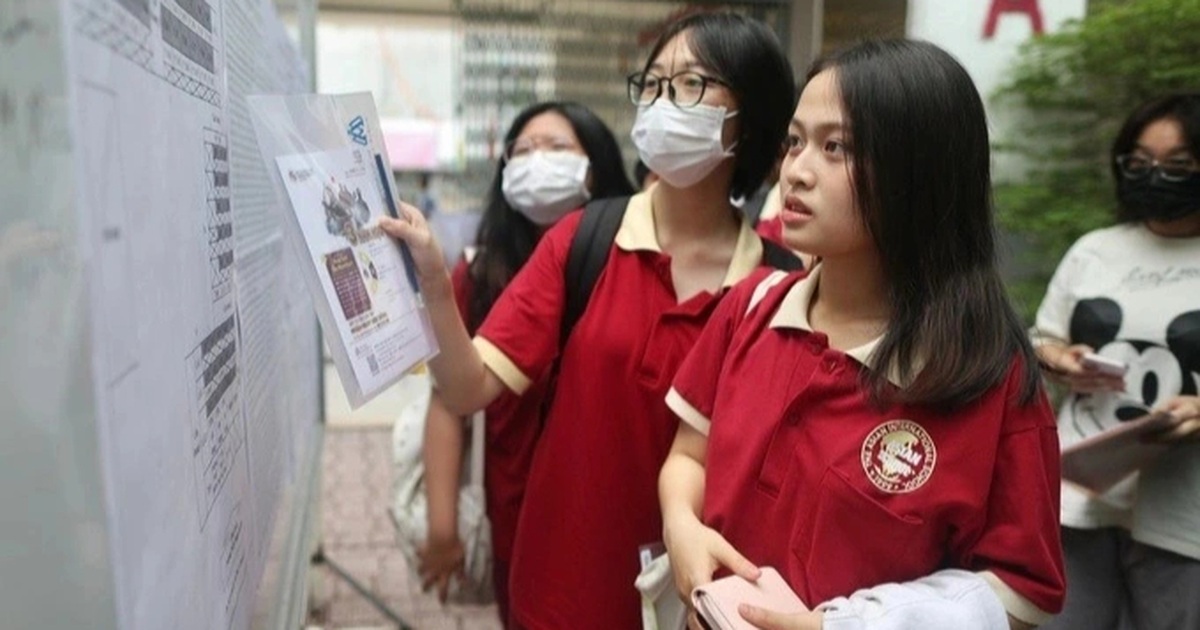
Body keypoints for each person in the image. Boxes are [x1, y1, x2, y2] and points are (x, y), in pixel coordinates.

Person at [380, 11, 797, 629]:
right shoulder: (587, 238)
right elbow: (466, 389)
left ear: (750, 115)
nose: (663, 103)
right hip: (561, 592)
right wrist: (436, 284)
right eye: (653, 84)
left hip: (696, 601)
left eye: (691, 85)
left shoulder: (778, 284)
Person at [659, 39, 1066, 630]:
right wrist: (682, 526)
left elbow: (1021, 596)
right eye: (795, 142)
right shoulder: (750, 308)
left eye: (836, 147)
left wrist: (851, 625)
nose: (795, 171)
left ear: (920, 170)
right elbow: (686, 455)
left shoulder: (990, 378)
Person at [417, 100, 634, 624]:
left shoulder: (634, 263)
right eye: (523, 151)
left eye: (557, 148)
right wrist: (443, 531)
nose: (538, 161)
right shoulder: (482, 274)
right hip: (517, 514)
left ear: (596, 165)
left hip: (616, 517)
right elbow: (450, 404)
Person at [1032, 94, 1200, 630]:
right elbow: (1040, 340)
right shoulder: (1094, 251)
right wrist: (1061, 359)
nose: (1154, 177)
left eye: (1177, 166)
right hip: (1078, 498)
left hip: (1182, 512)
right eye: (1139, 162)